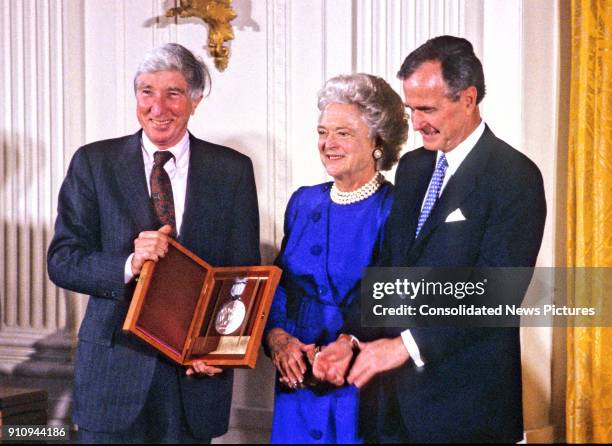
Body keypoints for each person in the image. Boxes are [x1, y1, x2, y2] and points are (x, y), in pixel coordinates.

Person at [315, 35, 547, 443]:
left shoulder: (515, 177)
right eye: (410, 109)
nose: (416, 122)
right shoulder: (414, 167)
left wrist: (405, 346)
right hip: (393, 409)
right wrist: (350, 339)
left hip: (467, 412)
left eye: (428, 109)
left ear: (469, 99)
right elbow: (388, 269)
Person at [47, 43, 260, 443]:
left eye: (173, 93)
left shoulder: (231, 170)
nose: (157, 107)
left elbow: (243, 273)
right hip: (113, 374)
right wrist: (129, 263)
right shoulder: (94, 163)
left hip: (192, 382)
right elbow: (62, 260)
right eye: (147, 92)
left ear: (195, 100)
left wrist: (219, 348)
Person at [264, 73, 408, 444]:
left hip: (359, 382)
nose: (328, 144)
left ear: (378, 141)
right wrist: (277, 338)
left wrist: (351, 342)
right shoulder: (304, 201)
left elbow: (397, 298)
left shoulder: (395, 209)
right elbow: (280, 285)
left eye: (343, 133)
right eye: (323, 132)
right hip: (296, 379)